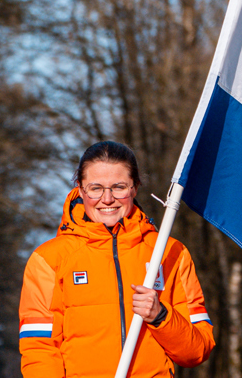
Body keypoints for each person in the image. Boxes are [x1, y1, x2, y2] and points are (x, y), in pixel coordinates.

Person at [18, 141, 215, 377]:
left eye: (119, 187)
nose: (108, 198)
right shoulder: (48, 259)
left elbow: (197, 351)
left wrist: (161, 316)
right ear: (80, 189)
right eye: (96, 188)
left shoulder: (170, 253)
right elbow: (39, 350)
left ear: (135, 187)